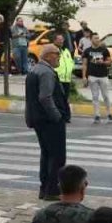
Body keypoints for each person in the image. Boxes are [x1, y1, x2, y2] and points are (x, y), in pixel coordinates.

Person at [27, 44, 71, 200]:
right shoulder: (46, 72)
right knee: (57, 156)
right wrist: (57, 116)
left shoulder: (35, 70)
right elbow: (45, 97)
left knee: (46, 154)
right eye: (56, 54)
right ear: (48, 56)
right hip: (49, 121)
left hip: (38, 120)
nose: (59, 57)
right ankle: (52, 190)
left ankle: (44, 188)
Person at [83, 32, 112, 124]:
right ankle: (97, 115)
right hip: (92, 76)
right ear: (91, 39)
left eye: (98, 38)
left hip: (103, 76)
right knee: (95, 96)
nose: (98, 40)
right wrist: (84, 76)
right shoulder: (87, 51)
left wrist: (103, 62)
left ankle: (109, 114)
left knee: (106, 96)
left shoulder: (104, 50)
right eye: (96, 38)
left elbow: (109, 62)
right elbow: (84, 64)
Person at [53, 35, 77, 100]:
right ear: (54, 40)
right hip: (57, 79)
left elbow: (70, 62)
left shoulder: (66, 51)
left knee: (65, 99)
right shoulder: (52, 50)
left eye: (62, 39)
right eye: (59, 39)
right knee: (58, 99)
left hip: (67, 79)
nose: (61, 41)